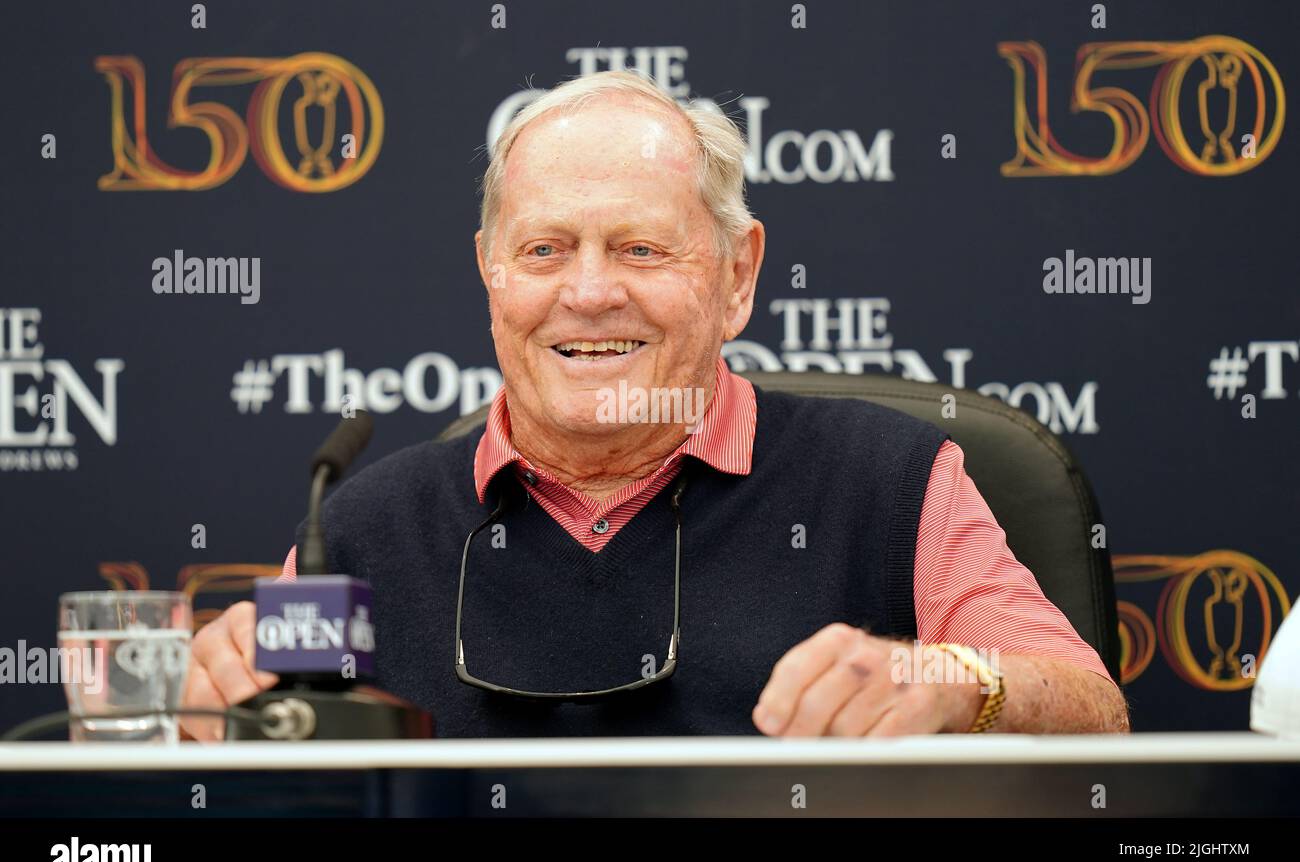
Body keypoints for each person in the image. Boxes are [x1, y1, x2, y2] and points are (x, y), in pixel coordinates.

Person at [181, 71, 1129, 741]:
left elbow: (1094, 709)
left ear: (738, 276)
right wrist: (214, 712)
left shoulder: (894, 481)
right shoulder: (356, 529)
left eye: (640, 249)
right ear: (490, 276)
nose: (589, 294)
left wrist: (944, 676)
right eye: (546, 250)